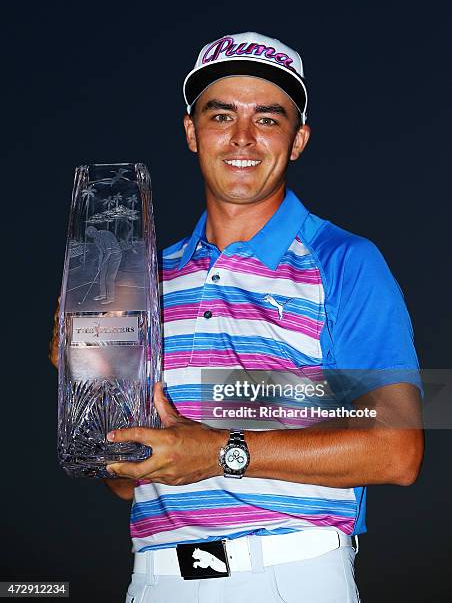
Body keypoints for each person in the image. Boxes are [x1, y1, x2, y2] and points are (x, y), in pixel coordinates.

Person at [51, 32, 424, 602]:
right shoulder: (144, 280)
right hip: (156, 578)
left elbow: (398, 449)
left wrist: (220, 450)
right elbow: (127, 484)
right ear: (191, 131)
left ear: (298, 139)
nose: (242, 138)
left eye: (268, 119)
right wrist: (90, 380)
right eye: (221, 115)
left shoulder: (344, 262)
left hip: (289, 576)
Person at [85, 225, 122, 305]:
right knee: (102, 275)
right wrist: (100, 265)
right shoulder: (96, 239)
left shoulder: (105, 234)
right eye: (90, 236)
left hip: (115, 255)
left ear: (93, 231)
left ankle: (110, 298)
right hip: (107, 256)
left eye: (91, 234)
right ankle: (103, 294)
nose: (92, 236)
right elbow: (102, 253)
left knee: (110, 277)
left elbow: (109, 252)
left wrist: (103, 263)